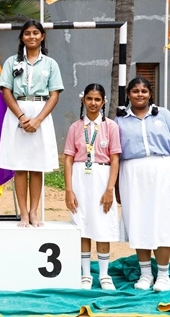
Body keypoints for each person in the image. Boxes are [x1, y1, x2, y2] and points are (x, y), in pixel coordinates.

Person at [115, 77, 170, 292]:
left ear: (150, 94)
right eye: (135, 91)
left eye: (144, 91)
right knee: (139, 221)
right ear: (128, 94)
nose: (140, 95)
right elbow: (115, 155)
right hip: (132, 173)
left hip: (162, 171)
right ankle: (145, 274)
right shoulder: (120, 120)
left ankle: (163, 275)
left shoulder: (164, 115)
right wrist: (116, 186)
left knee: (162, 222)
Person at [0, 20, 64, 227]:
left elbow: (54, 95)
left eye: (36, 33)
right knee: (20, 166)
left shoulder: (50, 64)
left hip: (40, 113)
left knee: (37, 166)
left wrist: (38, 119)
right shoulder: (12, 62)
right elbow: (6, 91)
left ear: (42, 36)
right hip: (17, 112)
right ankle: (23, 213)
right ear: (22, 37)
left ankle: (34, 211)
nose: (32, 36)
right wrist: (21, 117)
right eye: (27, 33)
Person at [64, 83, 121, 290]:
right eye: (89, 98)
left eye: (97, 99)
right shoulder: (75, 127)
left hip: (102, 176)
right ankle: (86, 274)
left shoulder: (111, 127)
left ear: (103, 102)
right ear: (83, 100)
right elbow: (68, 159)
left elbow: (115, 159)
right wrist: (69, 190)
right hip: (80, 177)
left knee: (102, 224)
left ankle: (104, 275)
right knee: (83, 223)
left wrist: (110, 189)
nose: (93, 103)